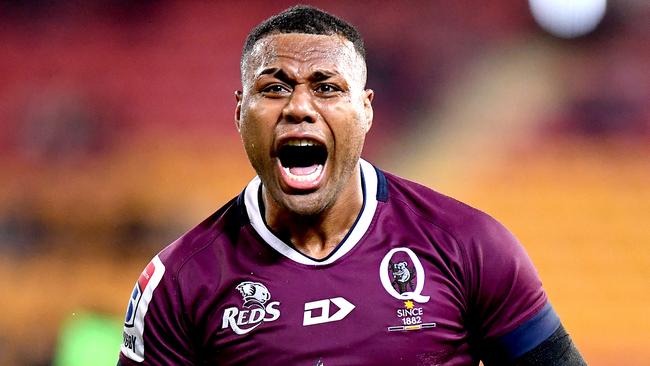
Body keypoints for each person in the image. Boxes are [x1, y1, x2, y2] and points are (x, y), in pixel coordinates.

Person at [117, 5, 586, 365]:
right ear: (240, 111)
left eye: (326, 87)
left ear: (365, 110)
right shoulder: (178, 283)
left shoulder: (472, 245)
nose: (299, 107)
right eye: (274, 87)